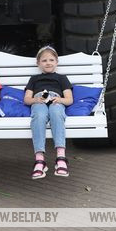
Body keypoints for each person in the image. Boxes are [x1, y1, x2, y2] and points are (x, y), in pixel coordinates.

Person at [24, 45, 73, 178]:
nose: (48, 63)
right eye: (44, 60)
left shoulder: (62, 78)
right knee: (39, 116)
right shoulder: (34, 79)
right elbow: (26, 99)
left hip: (56, 101)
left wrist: (60, 100)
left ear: (56, 62)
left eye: (51, 60)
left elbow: (69, 99)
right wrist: (35, 99)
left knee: (56, 113)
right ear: (38, 63)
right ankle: (40, 160)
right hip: (39, 100)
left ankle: (61, 158)